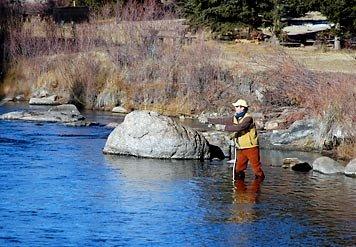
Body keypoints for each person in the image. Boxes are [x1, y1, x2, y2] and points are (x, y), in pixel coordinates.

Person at [225, 99, 265, 181]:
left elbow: (240, 127)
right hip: (241, 148)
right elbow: (222, 120)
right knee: (239, 169)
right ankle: (240, 190)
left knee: (256, 168)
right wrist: (209, 120)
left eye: (236, 107)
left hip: (251, 147)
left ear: (242, 108)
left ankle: (258, 188)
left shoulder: (248, 118)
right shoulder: (236, 117)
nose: (235, 108)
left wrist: (225, 128)